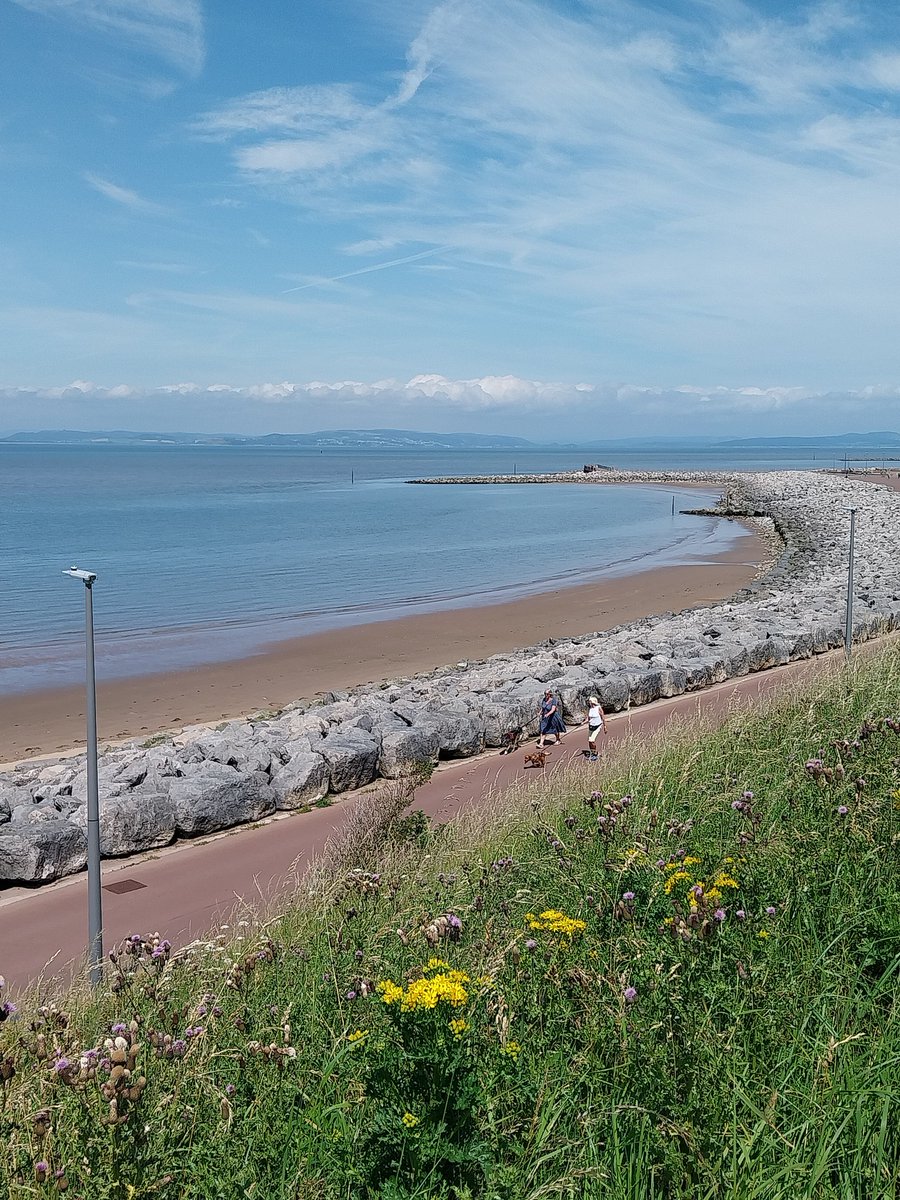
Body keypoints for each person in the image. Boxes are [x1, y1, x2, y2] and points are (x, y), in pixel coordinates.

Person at [586, 695, 606, 761]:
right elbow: (588, 718)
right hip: (591, 726)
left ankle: (595, 754)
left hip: (597, 726)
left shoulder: (598, 708)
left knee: (592, 740)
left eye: (590, 701)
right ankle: (593, 753)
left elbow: (602, 717)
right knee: (589, 741)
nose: (589, 703)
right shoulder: (590, 709)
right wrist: (584, 722)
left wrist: (605, 726)